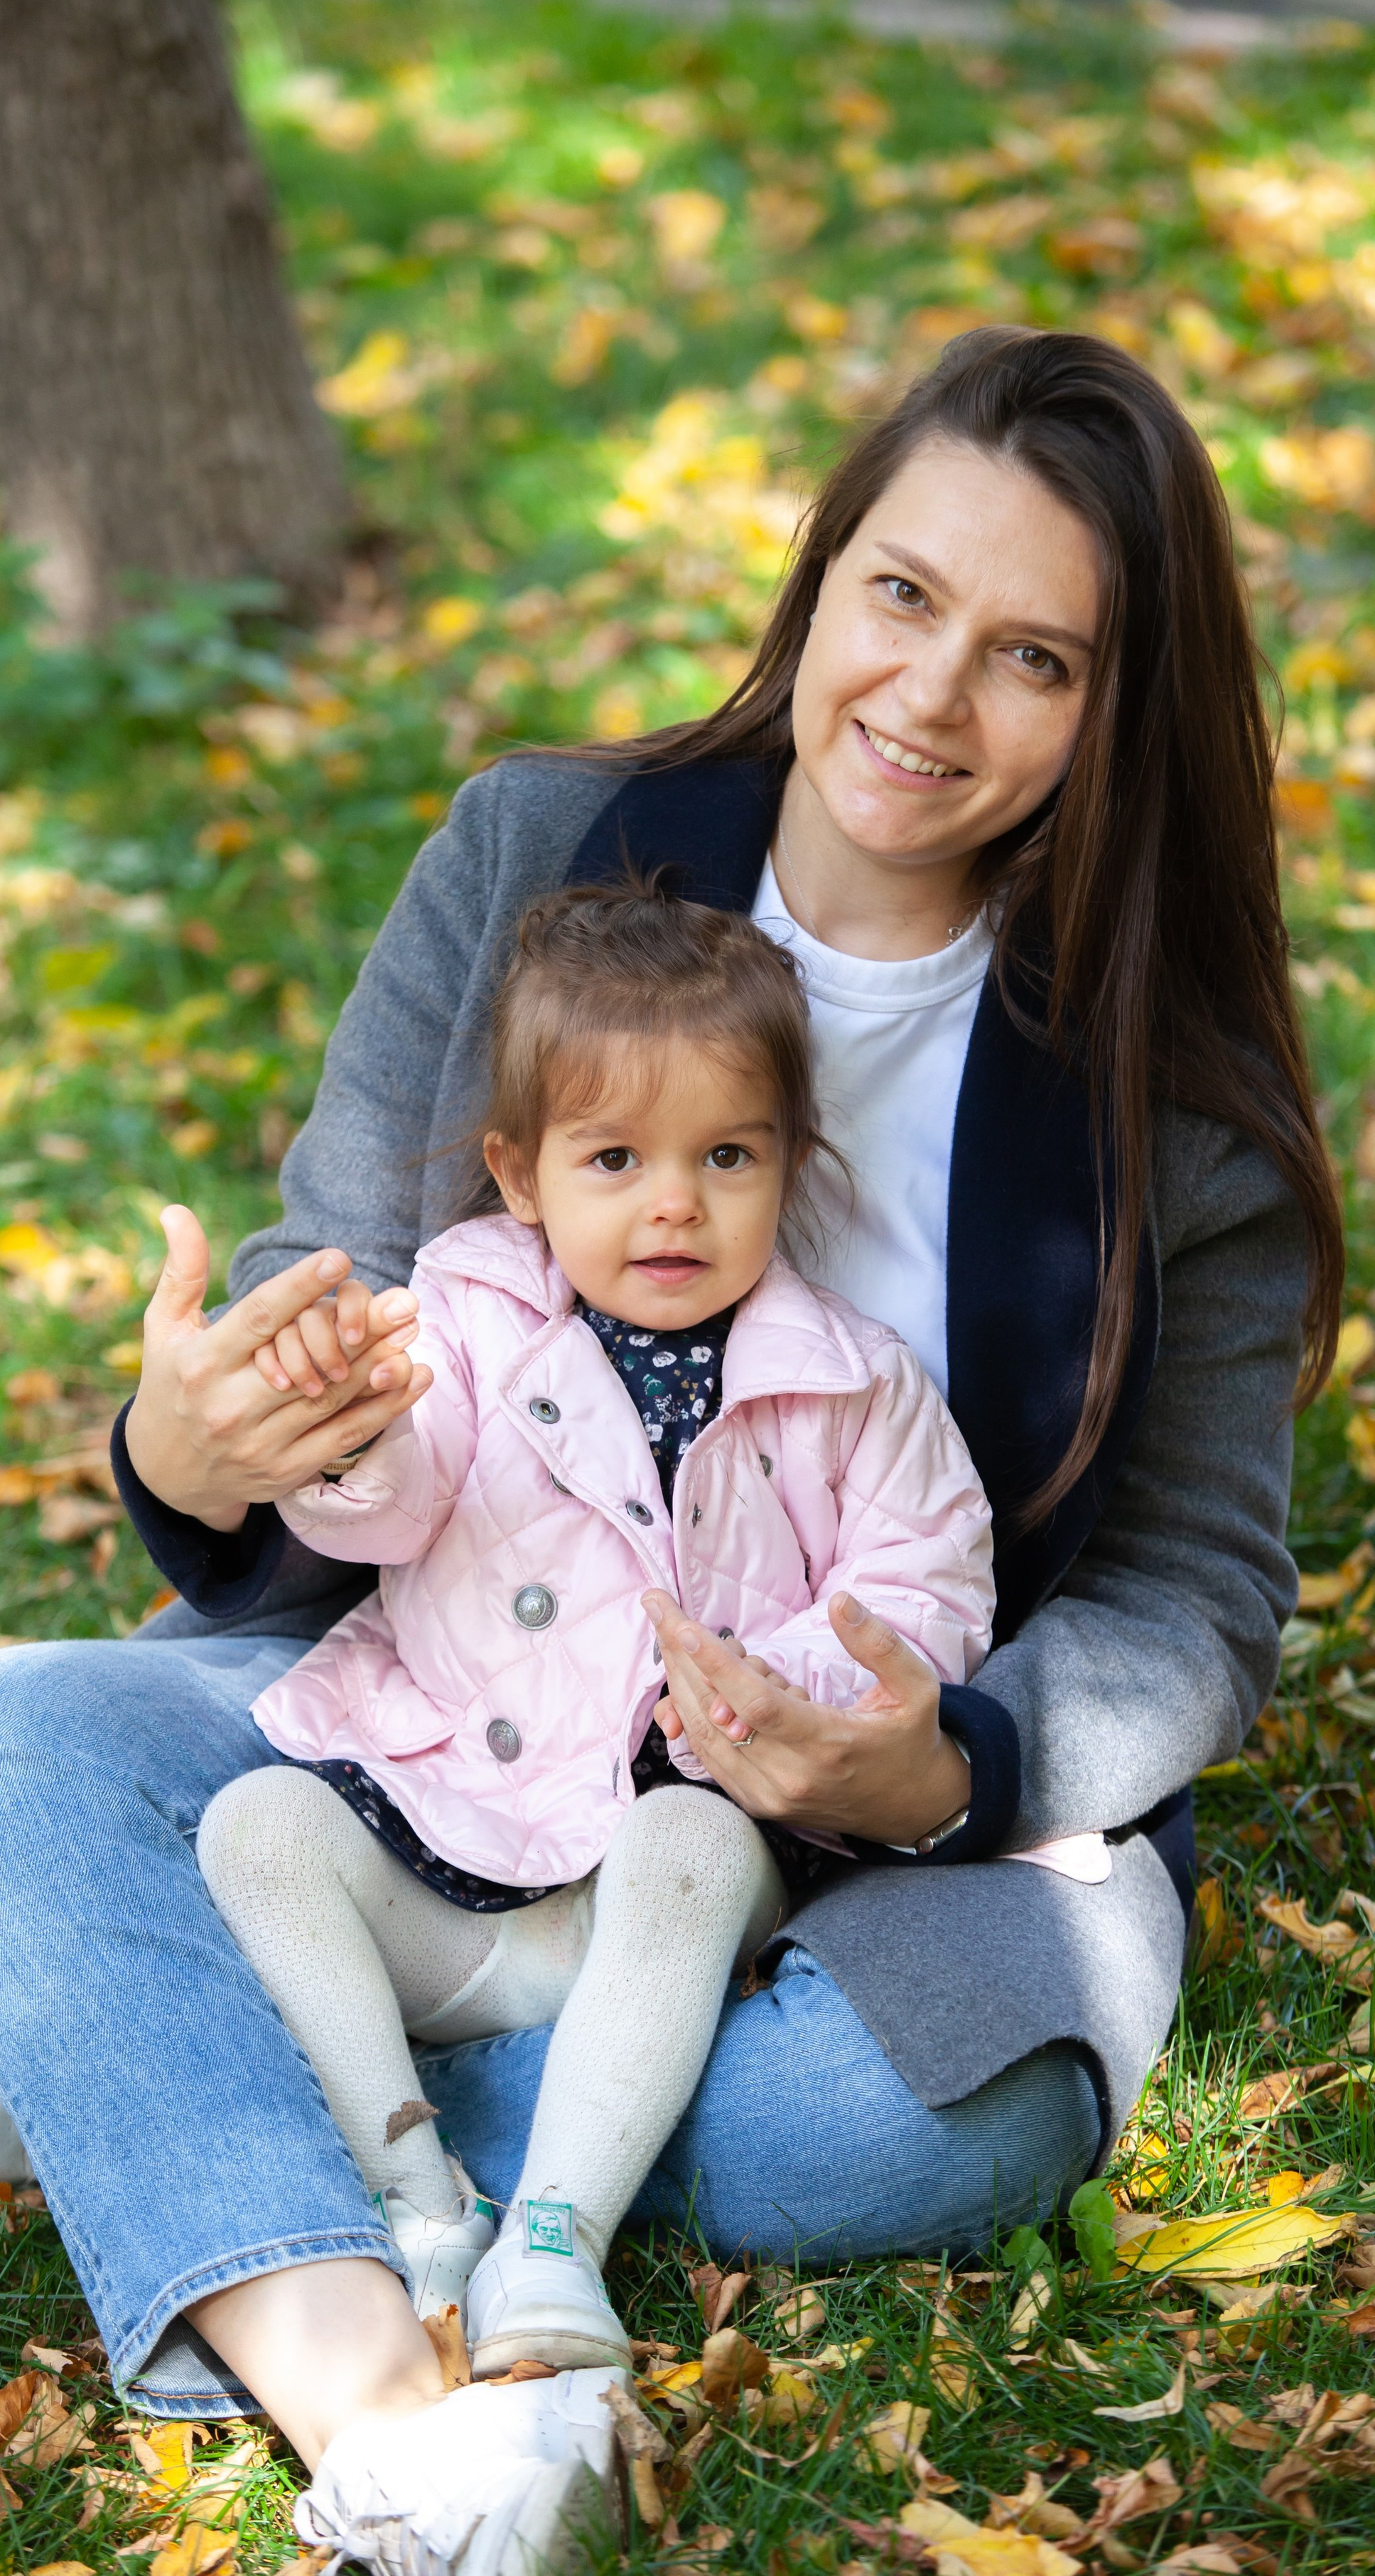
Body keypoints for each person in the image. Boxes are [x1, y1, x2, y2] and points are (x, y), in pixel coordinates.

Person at [0, 326, 1341, 2576]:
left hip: (864, 1827)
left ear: (1114, 711)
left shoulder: (1184, 1104)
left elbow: (1192, 1602)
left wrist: (945, 1767)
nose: (933, 698)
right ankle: (392, 2422)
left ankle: (117, 2049)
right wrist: (199, 1431)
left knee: (926, 2121)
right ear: (818, 573)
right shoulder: (540, 853)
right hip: (457, 1695)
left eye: (1034, 655)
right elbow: (332, 1297)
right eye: (900, 594)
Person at [194, 881, 1021, 2394]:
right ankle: (419, 2202)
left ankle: (554, 2238)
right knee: (256, 1828)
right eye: (614, 1158)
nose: (671, 1205)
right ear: (520, 1175)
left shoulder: (847, 1377)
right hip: (462, 1835)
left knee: (694, 1849)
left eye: (725, 1156)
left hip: (657, 1881)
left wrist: (804, 1683)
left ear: (788, 1163)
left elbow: (931, 1575)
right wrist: (346, 1434)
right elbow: (387, 1501)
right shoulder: (458, 1320)